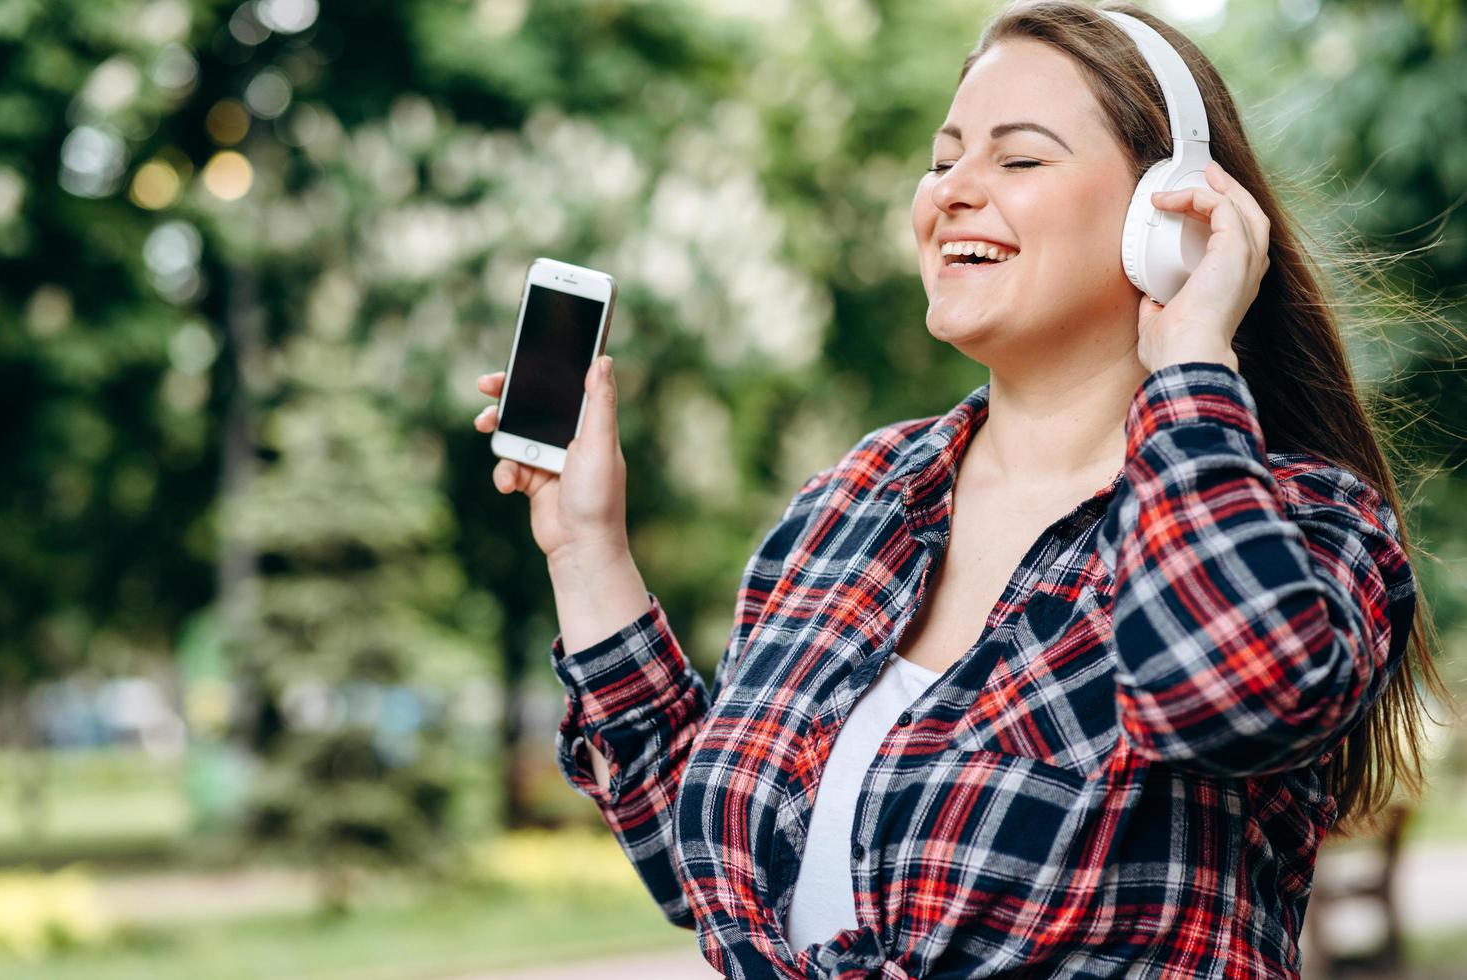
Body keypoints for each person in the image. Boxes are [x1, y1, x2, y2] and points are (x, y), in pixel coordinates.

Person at [472, 1, 1445, 976]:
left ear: (1170, 212)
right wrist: (585, 546)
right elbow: (711, 861)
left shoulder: (1305, 524)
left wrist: (1191, 354)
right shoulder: (850, 507)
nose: (950, 192)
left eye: (1016, 160)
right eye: (942, 161)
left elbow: (1233, 693)